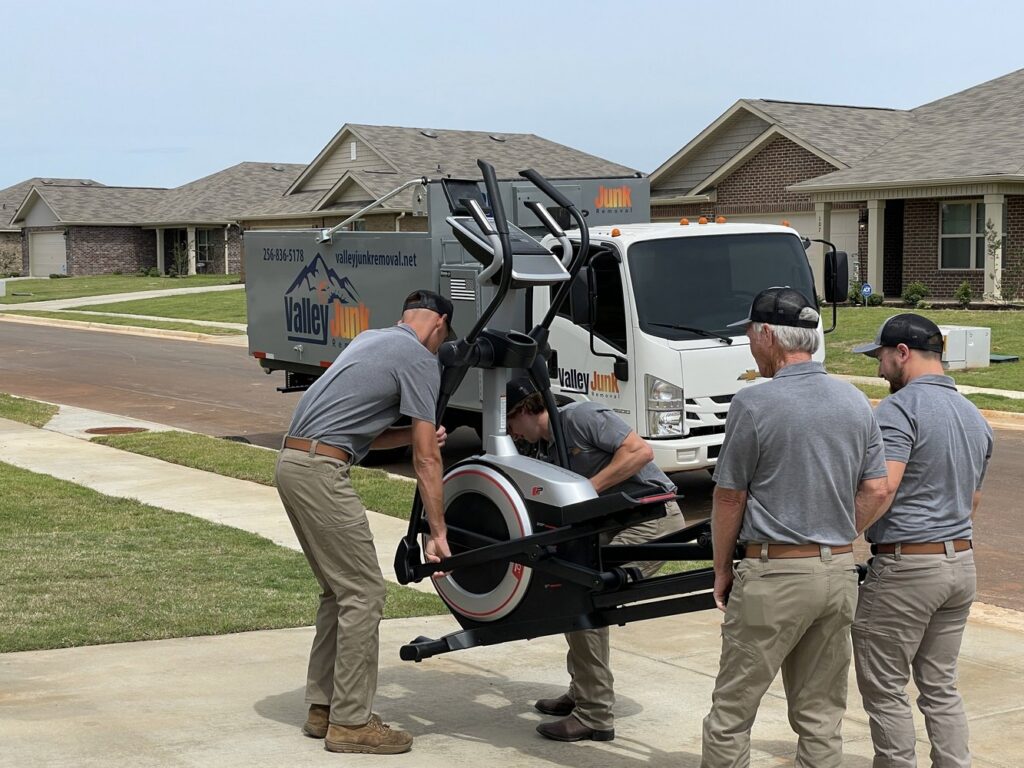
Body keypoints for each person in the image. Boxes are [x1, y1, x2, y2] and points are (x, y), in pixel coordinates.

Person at [700, 287, 889, 768]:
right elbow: (877, 489)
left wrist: (722, 568)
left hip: (774, 577)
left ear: (766, 336)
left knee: (732, 714)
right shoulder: (854, 401)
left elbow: (728, 495)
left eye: (748, 335)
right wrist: (838, 532)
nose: (748, 344)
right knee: (821, 718)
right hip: (839, 574)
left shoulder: (754, 403)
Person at [275, 289, 455, 755]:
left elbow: (361, 435)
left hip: (294, 462)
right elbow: (426, 459)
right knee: (365, 593)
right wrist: (437, 533)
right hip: (321, 471)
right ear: (439, 325)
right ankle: (352, 723)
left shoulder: (371, 340)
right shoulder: (419, 357)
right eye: (443, 336)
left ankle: (323, 710)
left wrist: (412, 433)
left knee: (339, 592)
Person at [505, 376, 686, 743]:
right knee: (569, 588)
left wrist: (588, 490)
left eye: (510, 422)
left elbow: (639, 452)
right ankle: (583, 692)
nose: (511, 433)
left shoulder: (580, 416)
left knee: (585, 596)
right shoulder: (543, 448)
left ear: (526, 408)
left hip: (653, 519)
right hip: (611, 524)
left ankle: (595, 714)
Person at [851, 313, 993, 768]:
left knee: (885, 685)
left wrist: (835, 537)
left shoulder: (899, 409)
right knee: (940, 686)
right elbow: (971, 501)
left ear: (902, 353)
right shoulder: (974, 415)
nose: (878, 369)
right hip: (960, 566)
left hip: (907, 568)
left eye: (880, 358)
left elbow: (881, 488)